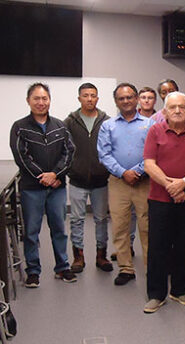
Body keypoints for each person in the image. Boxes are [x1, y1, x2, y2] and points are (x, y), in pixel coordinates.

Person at [142, 92, 185, 313]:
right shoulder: (155, 130)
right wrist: (172, 187)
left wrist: (183, 183)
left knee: (183, 245)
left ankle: (179, 290)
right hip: (159, 200)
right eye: (173, 107)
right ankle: (156, 294)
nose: (178, 111)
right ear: (165, 111)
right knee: (158, 247)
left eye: (182, 106)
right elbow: (149, 164)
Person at [9, 83, 76, 287]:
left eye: (44, 98)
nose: (41, 102)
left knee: (59, 229)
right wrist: (43, 176)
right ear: (29, 101)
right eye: (36, 98)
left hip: (56, 187)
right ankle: (33, 271)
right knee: (31, 232)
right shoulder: (20, 127)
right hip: (32, 188)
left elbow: (69, 153)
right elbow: (22, 157)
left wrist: (55, 174)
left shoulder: (60, 126)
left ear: (49, 100)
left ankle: (63, 267)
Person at [98, 83, 154, 286]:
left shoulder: (149, 124)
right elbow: (104, 155)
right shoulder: (108, 125)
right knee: (120, 226)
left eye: (130, 97)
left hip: (144, 182)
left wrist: (138, 171)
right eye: (121, 98)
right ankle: (126, 269)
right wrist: (123, 172)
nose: (126, 101)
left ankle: (151, 269)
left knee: (147, 226)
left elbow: (153, 152)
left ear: (137, 98)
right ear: (116, 101)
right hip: (118, 182)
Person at [64, 82, 113, 274]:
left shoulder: (106, 121)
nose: (90, 99)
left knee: (101, 219)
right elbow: (64, 149)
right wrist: (70, 169)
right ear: (79, 98)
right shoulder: (69, 121)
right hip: (77, 180)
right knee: (76, 219)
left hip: (101, 180)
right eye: (86, 95)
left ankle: (101, 255)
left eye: (93, 95)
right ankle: (79, 256)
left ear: (98, 98)